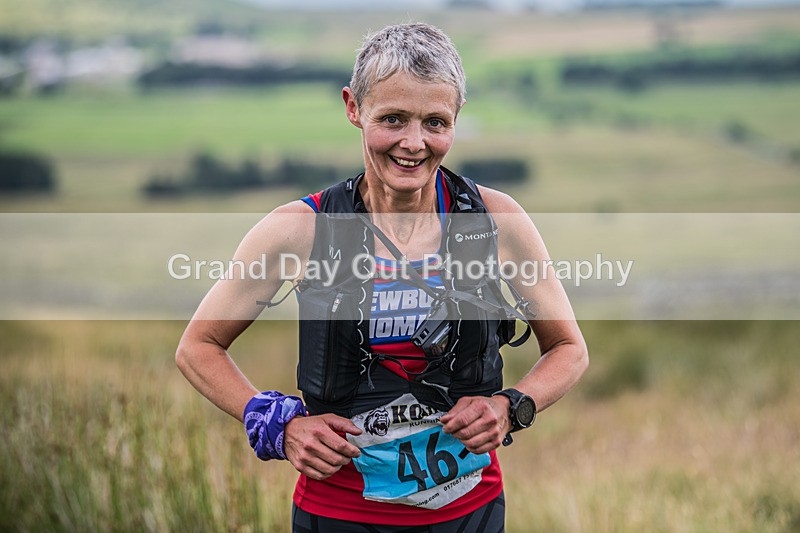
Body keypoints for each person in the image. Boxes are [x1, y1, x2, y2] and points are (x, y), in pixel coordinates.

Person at [176, 22, 588, 532]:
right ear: (353, 108)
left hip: (471, 513)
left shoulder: (496, 221)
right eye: (393, 119)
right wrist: (280, 427)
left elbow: (569, 349)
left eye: (435, 123)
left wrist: (511, 406)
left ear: (456, 119)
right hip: (337, 515)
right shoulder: (298, 230)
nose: (414, 143)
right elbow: (198, 347)